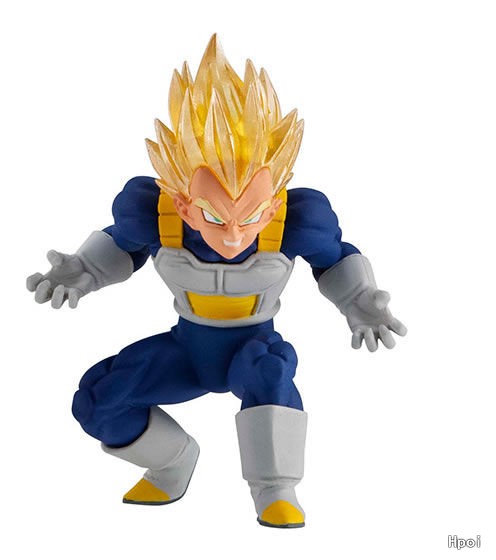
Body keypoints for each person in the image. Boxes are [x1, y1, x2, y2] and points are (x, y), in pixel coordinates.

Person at [27, 35, 406, 528]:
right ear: (184, 204)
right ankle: (172, 461)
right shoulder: (155, 215)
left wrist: (358, 301)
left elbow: (333, 261)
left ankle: (276, 490)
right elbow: (119, 248)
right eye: (212, 214)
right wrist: (83, 271)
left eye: (250, 215)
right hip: (185, 350)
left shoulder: (296, 220)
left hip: (252, 349)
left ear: (273, 203)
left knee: (270, 375)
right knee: (98, 399)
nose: (232, 234)